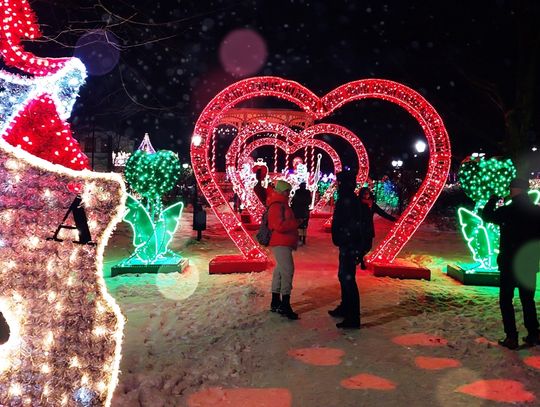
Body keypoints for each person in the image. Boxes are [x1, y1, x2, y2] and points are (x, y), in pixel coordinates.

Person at [482, 177, 540, 349]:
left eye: (510, 188)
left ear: (515, 189)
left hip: (509, 262)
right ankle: (533, 333)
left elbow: (486, 216)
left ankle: (511, 337)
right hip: (528, 262)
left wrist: (493, 199)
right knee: (527, 299)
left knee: (506, 300)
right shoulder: (537, 211)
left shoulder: (508, 210)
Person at [329, 170, 363, 329]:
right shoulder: (345, 198)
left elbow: (352, 224)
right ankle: (345, 307)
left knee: (348, 279)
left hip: (350, 244)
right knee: (344, 277)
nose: (337, 185)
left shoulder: (349, 200)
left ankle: (353, 317)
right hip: (346, 243)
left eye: (339, 183)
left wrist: (345, 238)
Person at [268, 180, 300, 320]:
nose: (289, 193)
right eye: (287, 191)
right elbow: (278, 225)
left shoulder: (282, 204)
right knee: (288, 271)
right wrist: (295, 222)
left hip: (283, 242)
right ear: (281, 191)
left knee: (280, 271)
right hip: (280, 242)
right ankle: (285, 304)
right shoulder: (277, 205)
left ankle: (276, 301)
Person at [357, 187, 397, 269]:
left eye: (368, 193)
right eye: (365, 193)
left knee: (368, 247)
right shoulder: (358, 203)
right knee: (362, 245)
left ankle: (358, 258)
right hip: (360, 227)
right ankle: (361, 262)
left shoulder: (371, 204)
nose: (366, 195)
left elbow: (382, 213)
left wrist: (393, 219)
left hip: (369, 228)